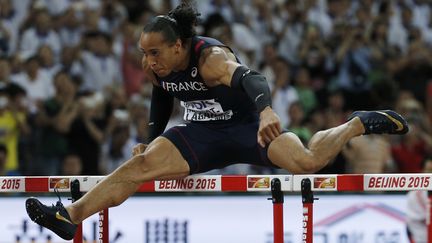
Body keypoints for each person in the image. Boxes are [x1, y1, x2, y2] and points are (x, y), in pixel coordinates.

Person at [24, 2, 409, 240]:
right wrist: (153, 136)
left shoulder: (209, 59)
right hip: (201, 133)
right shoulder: (156, 62)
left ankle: (356, 124)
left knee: (308, 162)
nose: (148, 61)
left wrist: (267, 112)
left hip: (246, 128)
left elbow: (252, 78)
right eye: (143, 52)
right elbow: (162, 93)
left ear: (178, 46)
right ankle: (69, 216)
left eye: (155, 52)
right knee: (139, 165)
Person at [406, 157, 432, 243]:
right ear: (422, 171)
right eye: (428, 170)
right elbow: (414, 217)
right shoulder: (414, 193)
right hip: (420, 232)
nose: (430, 173)